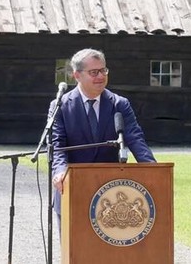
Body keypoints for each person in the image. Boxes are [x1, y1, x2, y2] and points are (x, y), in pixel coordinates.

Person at [50, 48, 156, 224]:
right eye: (94, 72)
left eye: (103, 70)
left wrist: (152, 169)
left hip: (111, 195)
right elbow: (57, 144)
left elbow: (135, 138)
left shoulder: (120, 104)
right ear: (77, 75)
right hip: (72, 189)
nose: (100, 76)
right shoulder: (59, 106)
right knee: (73, 251)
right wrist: (60, 171)